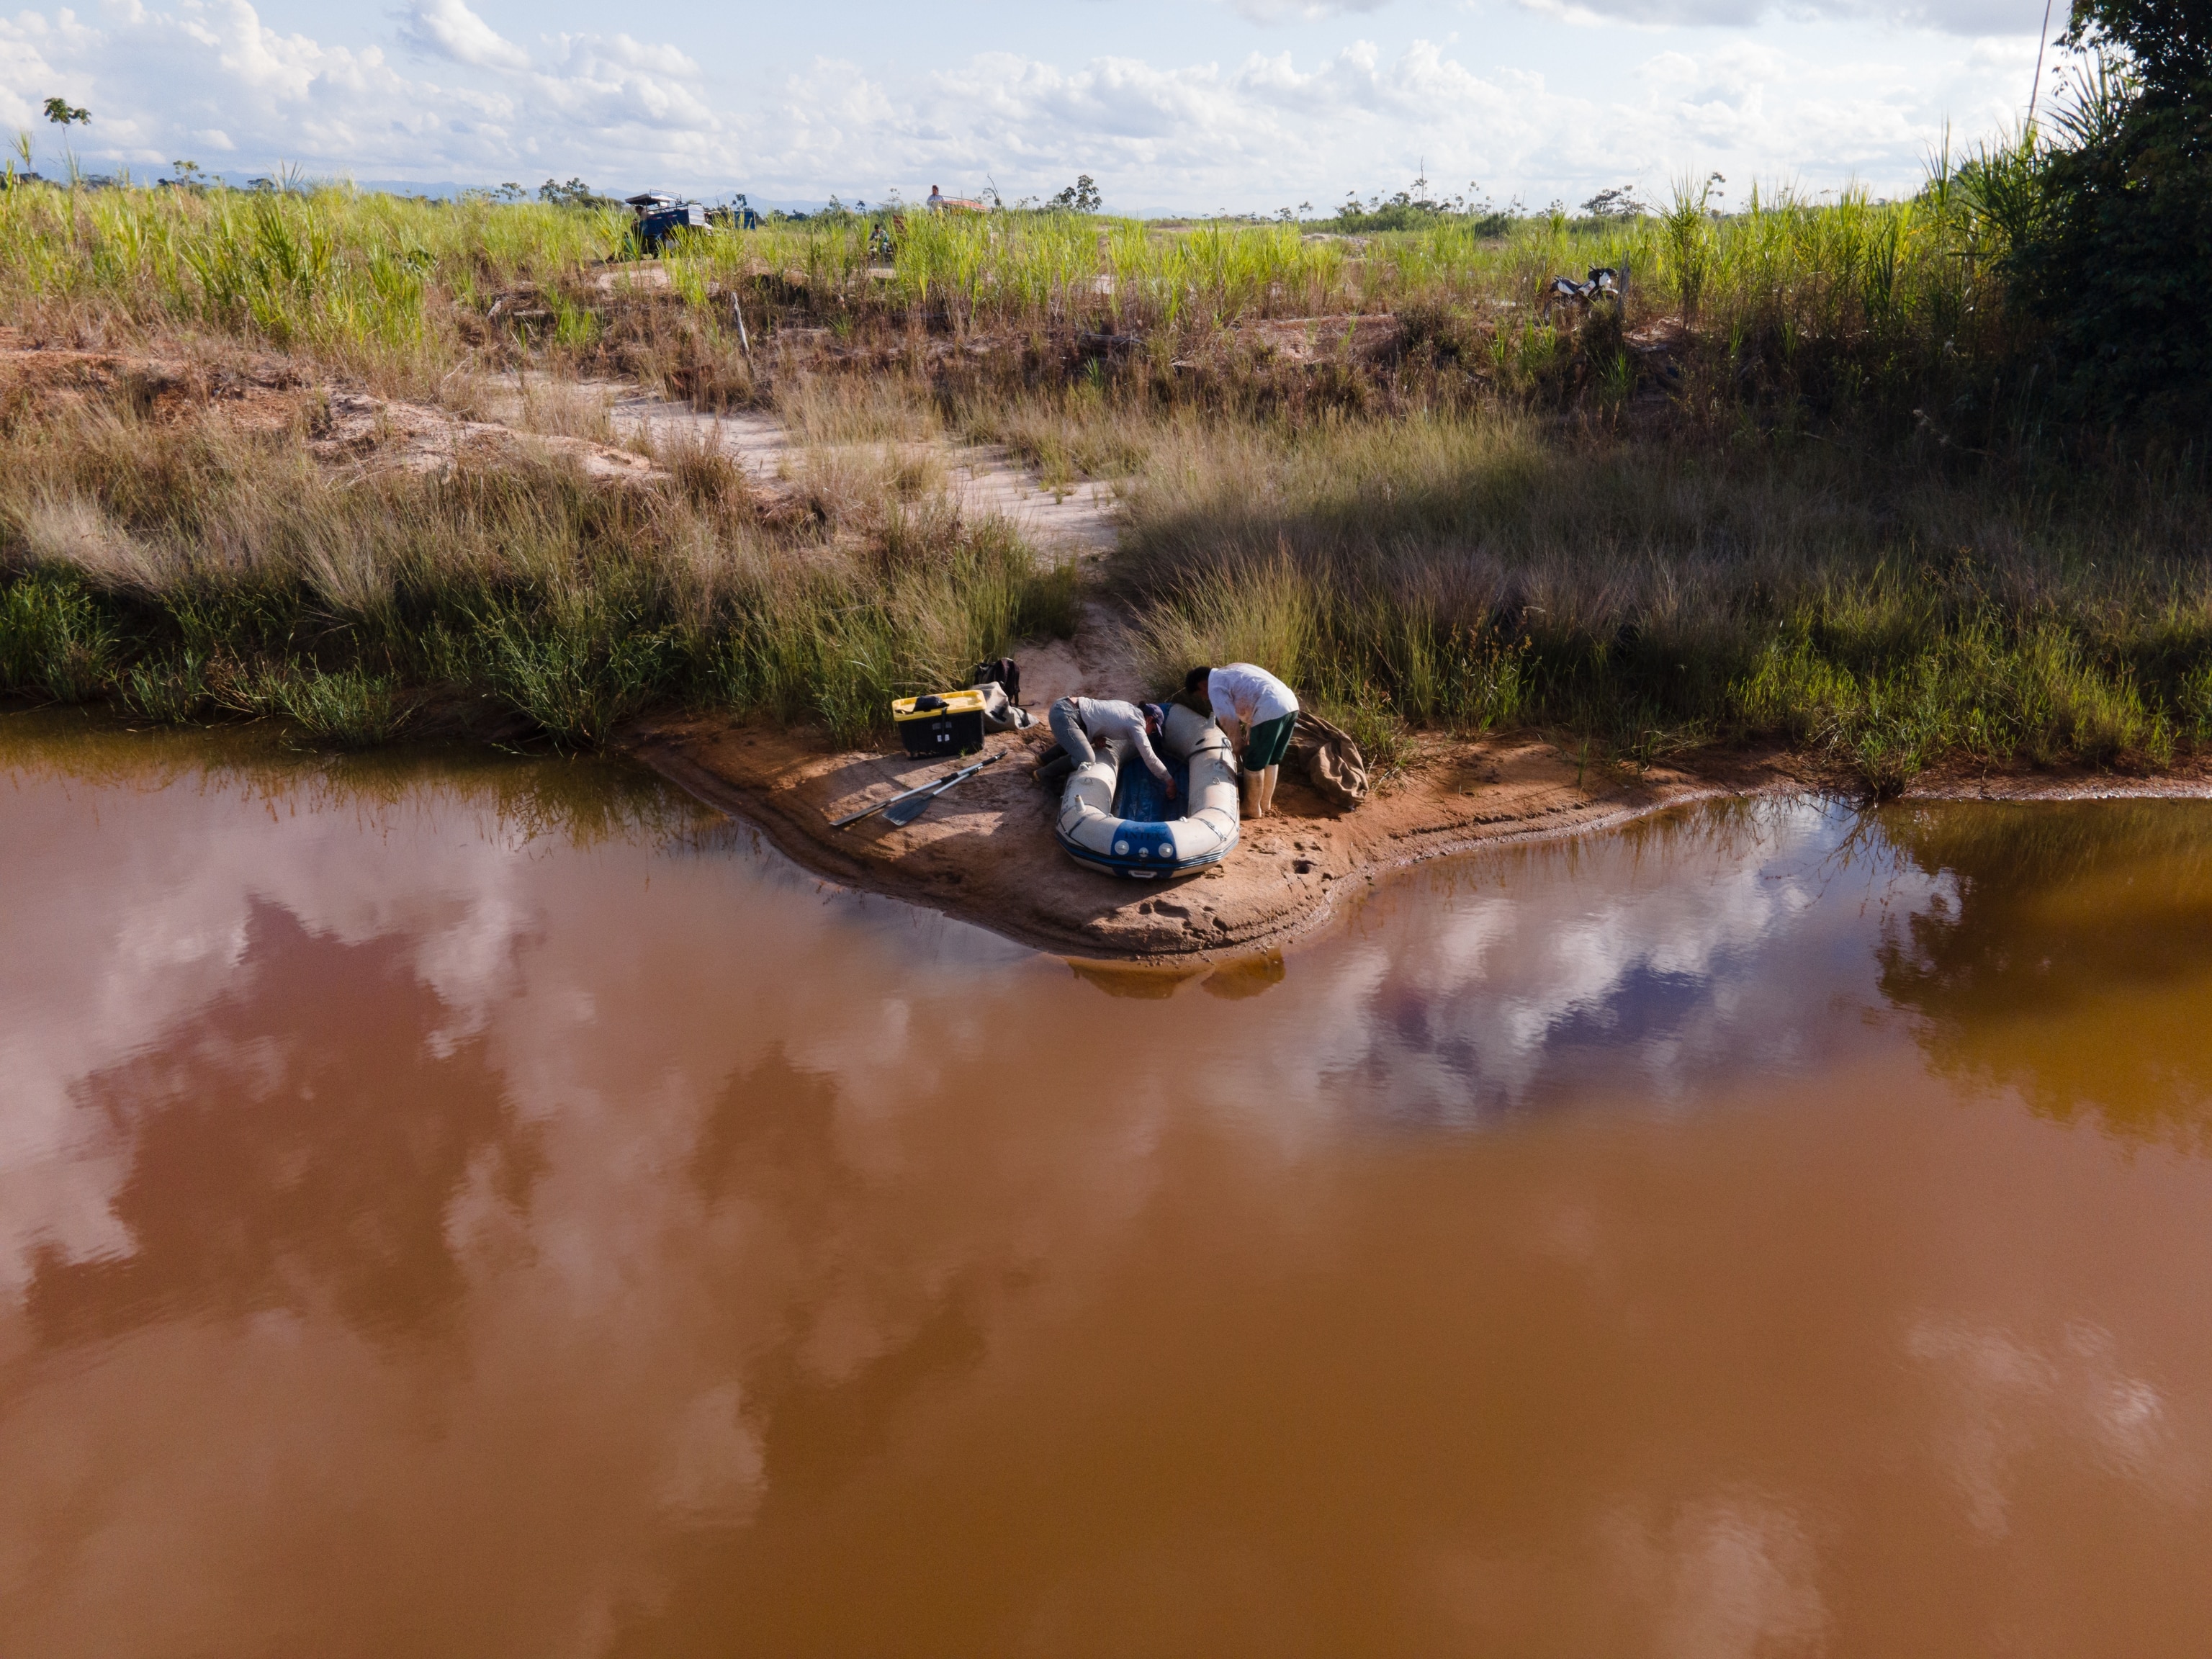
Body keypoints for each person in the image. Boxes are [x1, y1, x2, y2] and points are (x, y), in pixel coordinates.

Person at [1184, 663, 1298, 818]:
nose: (1204, 698)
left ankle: (1251, 808)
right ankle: (1264, 804)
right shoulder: (1231, 670)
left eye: (1200, 694)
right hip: (1290, 704)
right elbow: (1254, 695)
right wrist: (1250, 734)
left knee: (1253, 763)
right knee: (1271, 759)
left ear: (1202, 684)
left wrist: (1237, 746)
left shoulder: (1215, 686)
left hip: (1270, 709)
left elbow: (1228, 718)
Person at [1042, 697, 1175, 799]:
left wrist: (1096, 737)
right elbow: (1150, 758)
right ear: (1149, 720)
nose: (1150, 733)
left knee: (1080, 742)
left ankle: (1042, 759)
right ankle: (1044, 774)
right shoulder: (1136, 724)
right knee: (1087, 758)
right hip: (1065, 715)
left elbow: (1097, 715)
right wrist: (1169, 781)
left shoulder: (1128, 707)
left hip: (1065, 706)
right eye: (1153, 730)